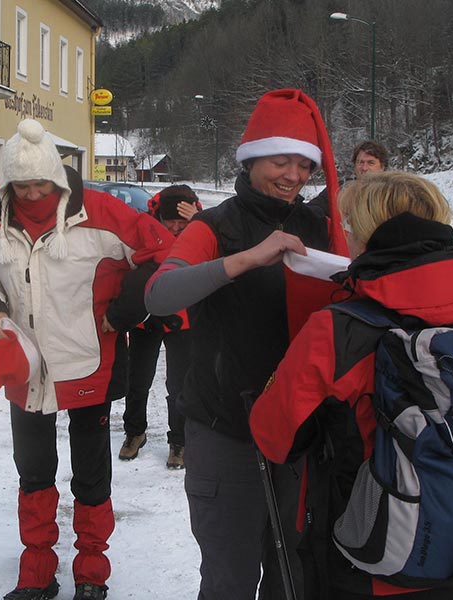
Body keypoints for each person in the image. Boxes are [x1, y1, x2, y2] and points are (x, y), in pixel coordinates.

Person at [145, 89, 348, 599]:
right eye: (282, 161)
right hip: (226, 432)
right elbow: (161, 295)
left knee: (293, 578)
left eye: (305, 165)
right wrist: (248, 259)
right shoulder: (216, 225)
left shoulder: (320, 227)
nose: (295, 176)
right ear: (253, 157)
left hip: (299, 434)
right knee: (229, 580)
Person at [250, 171, 453, 599]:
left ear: (366, 236)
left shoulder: (338, 330)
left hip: (365, 554)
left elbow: (274, 437)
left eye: (348, 227)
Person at [0, 119, 174, 600]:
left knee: (91, 474)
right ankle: (37, 568)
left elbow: (162, 251)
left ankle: (91, 571)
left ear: (57, 177)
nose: (32, 193)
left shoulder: (100, 212)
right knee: (33, 471)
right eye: (22, 184)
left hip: (88, 365)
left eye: (41, 183)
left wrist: (123, 312)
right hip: (26, 368)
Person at [118, 184, 200, 469]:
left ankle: (178, 441)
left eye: (181, 221)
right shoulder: (144, 228)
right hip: (147, 316)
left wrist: (199, 221)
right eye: (171, 221)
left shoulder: (203, 229)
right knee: (137, 380)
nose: (176, 227)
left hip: (183, 318)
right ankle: (134, 432)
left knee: (178, 384)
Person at [308, 140, 389, 218]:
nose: (364, 168)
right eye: (360, 162)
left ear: (383, 167)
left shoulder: (392, 193)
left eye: (371, 163)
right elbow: (313, 210)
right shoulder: (341, 189)